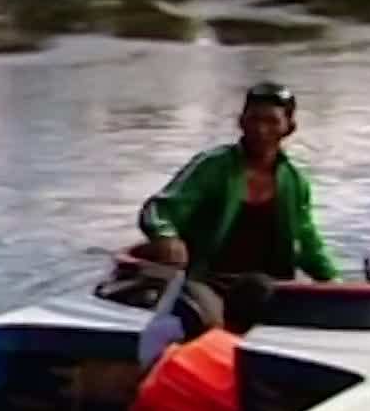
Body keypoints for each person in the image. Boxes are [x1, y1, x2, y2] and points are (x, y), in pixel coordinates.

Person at [136, 81, 339, 282]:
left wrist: (333, 280)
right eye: (254, 119)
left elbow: (307, 241)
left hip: (272, 288)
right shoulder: (211, 166)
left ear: (289, 127)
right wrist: (166, 237)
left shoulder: (295, 181)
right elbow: (158, 210)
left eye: (271, 121)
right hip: (208, 281)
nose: (260, 129)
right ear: (241, 122)